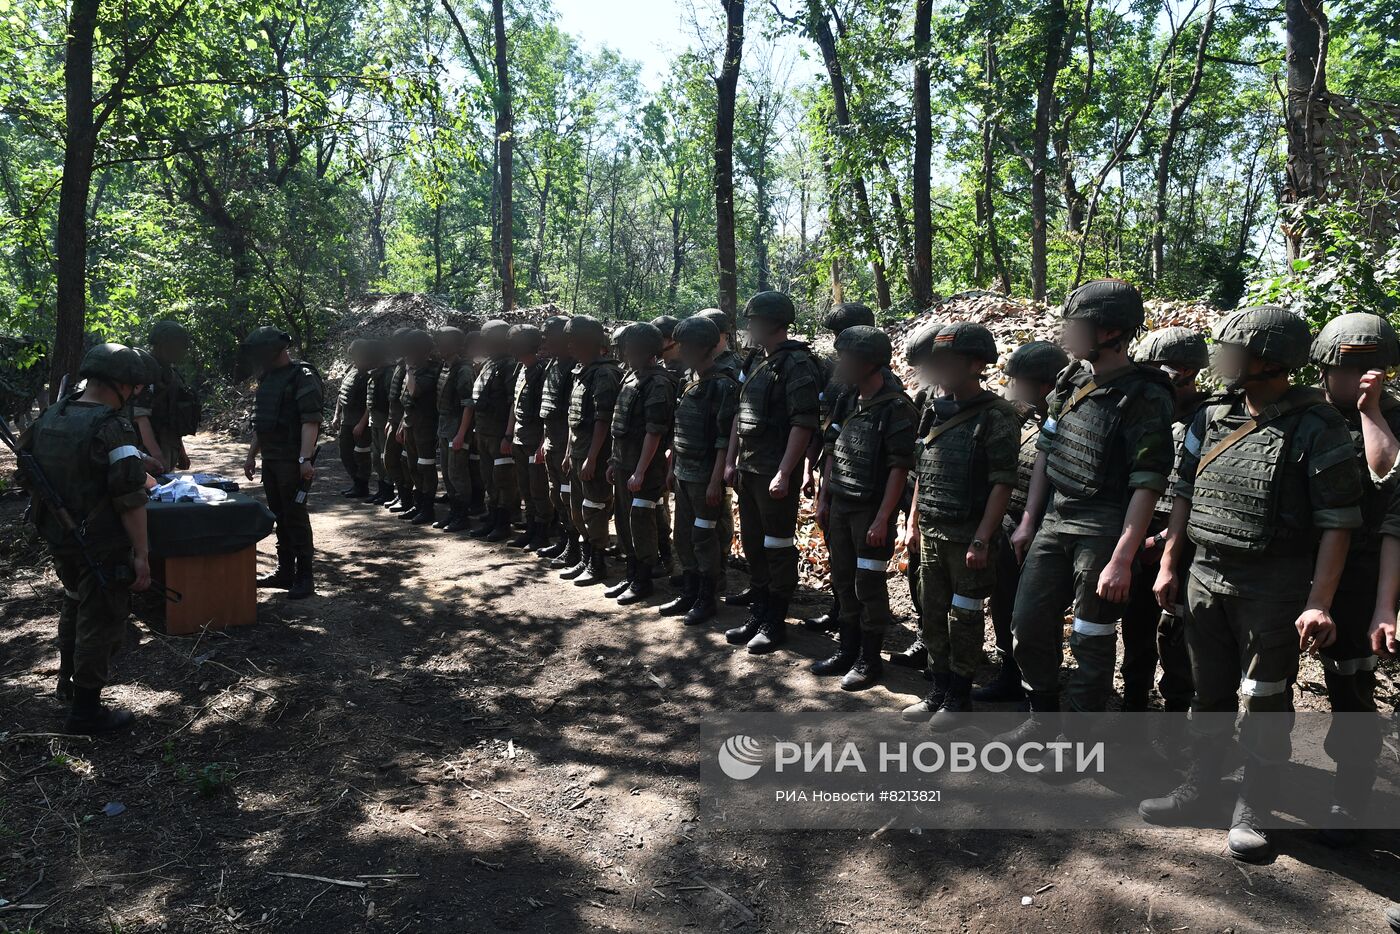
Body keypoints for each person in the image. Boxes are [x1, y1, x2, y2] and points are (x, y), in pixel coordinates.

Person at [1140, 306, 1362, 863]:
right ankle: (1200, 784)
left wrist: (1319, 602)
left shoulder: (1317, 426)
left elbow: (1339, 521)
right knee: (1206, 690)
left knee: (1264, 700)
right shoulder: (1211, 417)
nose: (1221, 360)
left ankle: (1255, 805)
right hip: (1204, 573)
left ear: (1268, 361)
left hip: (1275, 584)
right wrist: (1170, 564)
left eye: (1234, 351)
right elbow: (1183, 493)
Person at [1004, 279, 1175, 742]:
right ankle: (1042, 717)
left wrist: (1122, 557)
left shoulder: (1146, 396)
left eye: (1077, 326)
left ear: (1111, 332)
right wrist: (1027, 522)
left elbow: (1149, 482)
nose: (1067, 335)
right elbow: (1047, 449)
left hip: (1103, 527)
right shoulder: (1072, 379)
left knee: (1090, 637)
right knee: (1027, 625)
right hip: (1054, 520)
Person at [19, 343, 152, 733]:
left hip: (60, 537)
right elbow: (130, 500)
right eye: (135, 386)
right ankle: (86, 711)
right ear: (122, 384)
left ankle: (67, 684)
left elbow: (27, 475)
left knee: (75, 604)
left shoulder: (51, 417)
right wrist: (142, 555)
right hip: (102, 543)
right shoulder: (112, 426)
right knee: (102, 618)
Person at [1310, 312, 1400, 843]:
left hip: (1362, 575)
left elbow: (1386, 470)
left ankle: (1350, 796)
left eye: (1368, 370)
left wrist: (1370, 411)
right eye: (1345, 370)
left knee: (1351, 688)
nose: (1355, 379)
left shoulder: (1392, 417)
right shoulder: (1301, 411)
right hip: (1297, 567)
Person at [899, 323, 1018, 722]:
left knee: (963, 617)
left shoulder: (998, 417)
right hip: (931, 532)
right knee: (931, 611)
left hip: (968, 536)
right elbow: (921, 469)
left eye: (949, 360)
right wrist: (912, 523)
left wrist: (982, 540)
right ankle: (938, 689)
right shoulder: (933, 409)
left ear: (976, 364)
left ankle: (958, 698)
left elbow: (1002, 483)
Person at [812, 325, 918, 690]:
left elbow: (899, 468)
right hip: (840, 505)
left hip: (870, 512)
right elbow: (831, 449)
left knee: (868, 586)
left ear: (870, 363)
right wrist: (825, 498)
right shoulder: (848, 398)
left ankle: (869, 660)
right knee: (842, 580)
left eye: (849, 358)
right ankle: (848, 650)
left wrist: (884, 517)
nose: (842, 364)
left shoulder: (897, 408)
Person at [723, 291, 822, 653]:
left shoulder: (796, 365)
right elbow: (739, 414)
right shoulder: (757, 362)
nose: (750, 327)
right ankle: (759, 610)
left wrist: (785, 472)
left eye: (755, 321)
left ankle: (774, 620)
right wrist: (731, 460)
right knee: (753, 544)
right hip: (748, 469)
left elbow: (803, 423)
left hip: (773, 473)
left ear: (773, 323)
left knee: (777, 546)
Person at [1119, 327, 1209, 716]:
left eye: (1164, 368)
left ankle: (1176, 718)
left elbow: (1201, 495)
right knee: (1135, 631)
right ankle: (1134, 705)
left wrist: (1162, 541)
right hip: (1137, 541)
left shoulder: (1211, 420)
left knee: (1177, 639)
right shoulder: (1142, 411)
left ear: (1188, 371)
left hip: (1182, 545)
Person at [976, 340, 1068, 702]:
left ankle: (1038, 682)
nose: (1011, 388)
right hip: (1006, 527)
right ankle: (1009, 673)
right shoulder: (1018, 418)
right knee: (1002, 603)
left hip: (1043, 532)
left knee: (1034, 616)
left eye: (1019, 382)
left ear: (1044, 386)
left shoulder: (1065, 424)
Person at [804, 302, 878, 634]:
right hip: (833, 466)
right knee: (836, 549)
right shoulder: (835, 374)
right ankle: (840, 609)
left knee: (861, 561)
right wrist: (813, 468)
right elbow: (825, 427)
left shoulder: (876, 378)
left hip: (863, 481)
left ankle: (862, 623)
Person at [662, 315, 739, 624]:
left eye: (688, 346)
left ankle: (707, 597)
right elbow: (679, 430)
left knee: (703, 538)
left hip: (705, 475)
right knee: (683, 536)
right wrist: (672, 468)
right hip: (683, 472)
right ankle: (691, 591)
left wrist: (715, 480)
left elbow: (723, 438)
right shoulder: (690, 380)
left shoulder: (723, 384)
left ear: (704, 347)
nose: (682, 351)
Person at [241, 326, 323, 599]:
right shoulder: (268, 378)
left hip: (292, 460)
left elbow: (310, 421)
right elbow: (263, 423)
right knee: (279, 515)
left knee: (296, 516)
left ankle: (305, 577)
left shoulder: (302, 377)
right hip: (273, 460)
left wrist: (305, 459)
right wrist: (252, 454)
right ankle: (285, 571)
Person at [889, 320, 947, 673]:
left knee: (939, 578)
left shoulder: (972, 401)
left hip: (940, 503)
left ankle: (943, 646)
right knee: (917, 573)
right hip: (914, 495)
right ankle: (926, 638)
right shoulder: (925, 397)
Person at [605, 323, 677, 604]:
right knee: (624, 523)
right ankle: (632, 572)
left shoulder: (658, 383)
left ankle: (643, 578)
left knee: (641, 523)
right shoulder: (631, 378)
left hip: (644, 469)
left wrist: (640, 470)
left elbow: (655, 431)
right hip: (624, 463)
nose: (624, 353)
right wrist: (615, 461)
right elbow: (618, 426)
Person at [561, 315, 623, 586]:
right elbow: (571, 419)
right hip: (577, 452)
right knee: (577, 509)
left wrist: (592, 458)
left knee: (594, 509)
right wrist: (568, 452)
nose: (570, 347)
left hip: (592, 456)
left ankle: (597, 562)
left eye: (574, 341)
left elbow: (603, 420)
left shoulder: (604, 374)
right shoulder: (581, 371)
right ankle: (586, 557)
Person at [464, 320, 519, 541]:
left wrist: (508, 435)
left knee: (503, 479)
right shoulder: (489, 364)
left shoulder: (510, 367)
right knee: (489, 479)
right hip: (484, 432)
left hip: (499, 435)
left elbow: (512, 404)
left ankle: (503, 523)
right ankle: (493, 518)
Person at [537, 316, 579, 566]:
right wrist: (544, 441)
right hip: (552, 440)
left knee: (568, 496)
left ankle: (575, 546)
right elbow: (548, 410)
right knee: (556, 494)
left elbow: (573, 415)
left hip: (566, 443)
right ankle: (564, 540)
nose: (545, 342)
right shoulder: (553, 365)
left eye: (549, 337)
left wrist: (567, 450)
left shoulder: (573, 368)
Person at [131, 320, 199, 475]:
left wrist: (181, 451)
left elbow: (172, 417)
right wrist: (157, 456)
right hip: (146, 451)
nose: (183, 350)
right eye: (179, 345)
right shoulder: (146, 370)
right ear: (164, 345)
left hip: (167, 445)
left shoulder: (171, 373)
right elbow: (140, 417)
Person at [507, 324, 552, 550]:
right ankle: (531, 528)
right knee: (525, 488)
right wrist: (508, 435)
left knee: (538, 490)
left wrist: (543, 442)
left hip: (535, 440)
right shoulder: (520, 370)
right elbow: (514, 407)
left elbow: (547, 412)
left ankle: (542, 532)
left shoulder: (542, 372)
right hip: (519, 439)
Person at [397, 328, 440, 526]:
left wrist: (409, 370)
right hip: (410, 423)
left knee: (425, 466)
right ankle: (418, 503)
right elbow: (405, 400)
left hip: (425, 426)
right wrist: (401, 424)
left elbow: (414, 392)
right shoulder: (413, 370)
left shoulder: (431, 370)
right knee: (412, 466)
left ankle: (427, 507)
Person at [433, 327, 473, 530]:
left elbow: (468, 405)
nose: (440, 346)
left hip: (457, 428)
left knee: (457, 474)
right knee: (448, 474)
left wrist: (461, 434)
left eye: (444, 342)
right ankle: (454, 512)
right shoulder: (445, 367)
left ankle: (462, 515)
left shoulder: (463, 370)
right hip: (445, 426)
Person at [331, 339, 374, 499]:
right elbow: (341, 394)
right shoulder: (352, 369)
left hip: (360, 421)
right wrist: (336, 415)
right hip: (346, 420)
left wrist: (362, 423)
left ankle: (362, 486)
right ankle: (356, 482)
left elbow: (371, 402)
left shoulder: (370, 373)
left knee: (361, 455)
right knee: (346, 454)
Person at [383, 329, 415, 513]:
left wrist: (402, 422)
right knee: (391, 459)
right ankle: (401, 493)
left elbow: (409, 398)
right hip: (395, 419)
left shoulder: (410, 366)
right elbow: (394, 396)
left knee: (403, 460)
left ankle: (407, 497)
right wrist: (390, 419)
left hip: (404, 421)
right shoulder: (400, 364)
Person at [365, 337, 397, 504]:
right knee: (377, 458)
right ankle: (382, 489)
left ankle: (389, 490)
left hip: (384, 421)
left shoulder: (389, 373)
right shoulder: (376, 372)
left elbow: (392, 400)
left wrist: (390, 421)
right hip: (376, 420)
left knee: (387, 457)